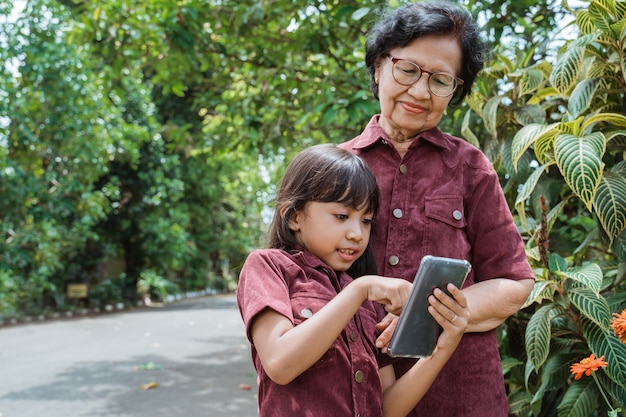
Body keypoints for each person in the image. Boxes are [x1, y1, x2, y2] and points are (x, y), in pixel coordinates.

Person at [338, 2, 535, 416]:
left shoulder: (470, 168)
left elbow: (513, 282)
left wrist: (421, 315)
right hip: (352, 389)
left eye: (441, 80)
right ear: (378, 67)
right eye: (408, 70)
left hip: (460, 395)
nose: (421, 91)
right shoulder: (333, 168)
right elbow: (297, 277)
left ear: (455, 91)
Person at [237, 143, 470, 417]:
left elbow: (386, 407)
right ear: (294, 216)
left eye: (367, 220)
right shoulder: (268, 266)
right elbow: (279, 363)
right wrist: (362, 288)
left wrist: (443, 345)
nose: (357, 234)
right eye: (342, 216)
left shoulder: (366, 301)